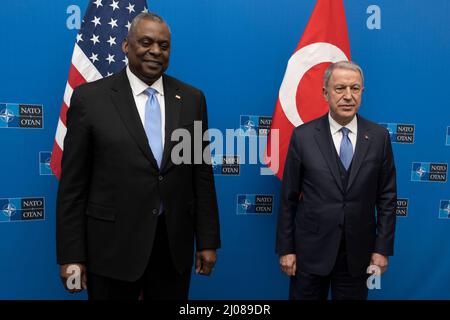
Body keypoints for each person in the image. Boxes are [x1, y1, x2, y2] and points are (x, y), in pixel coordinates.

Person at [56, 12, 220, 300]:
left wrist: (207, 241)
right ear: (125, 46)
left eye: (164, 45)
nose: (155, 51)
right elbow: (73, 187)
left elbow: (201, 176)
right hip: (110, 251)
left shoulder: (193, 99)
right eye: (145, 42)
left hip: (172, 250)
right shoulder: (89, 99)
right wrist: (71, 255)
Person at [276, 61, 397, 300]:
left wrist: (382, 249)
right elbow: (288, 198)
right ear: (325, 93)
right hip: (310, 254)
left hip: (357, 256)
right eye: (340, 88)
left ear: (362, 92)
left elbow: (387, 198)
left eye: (355, 88)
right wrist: (286, 249)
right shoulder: (303, 136)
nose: (348, 96)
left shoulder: (379, 137)